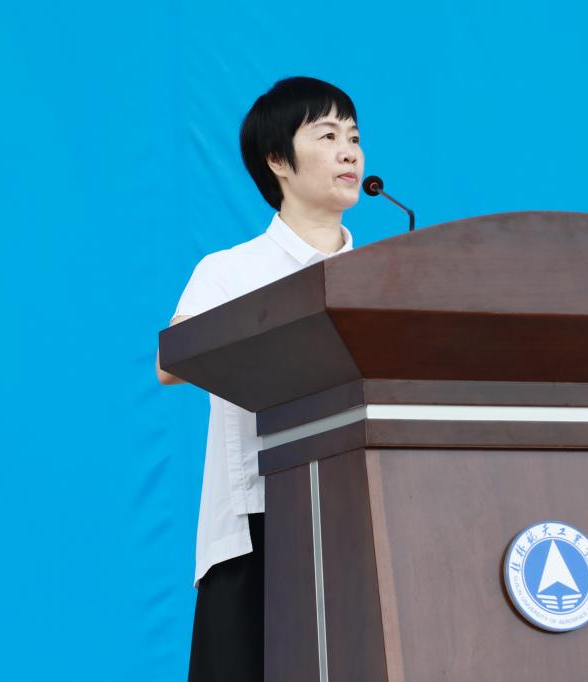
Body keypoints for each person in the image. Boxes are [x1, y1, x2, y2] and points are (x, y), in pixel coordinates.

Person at [156, 76, 363, 681]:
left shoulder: (382, 276)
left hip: (363, 514)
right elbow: (172, 362)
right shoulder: (231, 271)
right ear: (277, 159)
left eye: (354, 138)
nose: (349, 152)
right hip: (258, 520)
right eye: (327, 136)